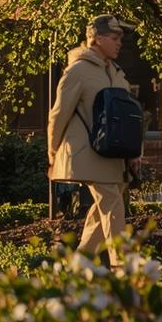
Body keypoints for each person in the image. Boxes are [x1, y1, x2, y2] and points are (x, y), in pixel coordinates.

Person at [48, 14, 133, 267]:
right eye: (115, 38)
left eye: (120, 38)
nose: (120, 43)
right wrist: (52, 150)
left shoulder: (115, 72)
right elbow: (59, 114)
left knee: (103, 208)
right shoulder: (77, 71)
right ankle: (122, 269)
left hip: (115, 154)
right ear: (97, 39)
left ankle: (78, 266)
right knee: (112, 203)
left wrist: (135, 152)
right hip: (88, 153)